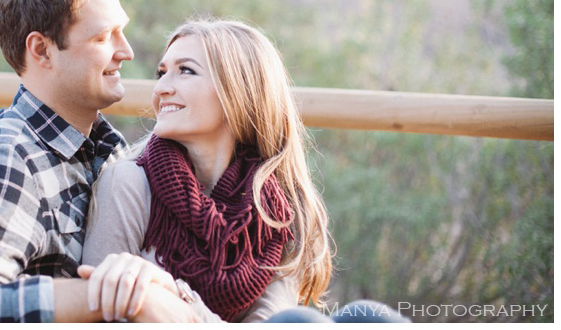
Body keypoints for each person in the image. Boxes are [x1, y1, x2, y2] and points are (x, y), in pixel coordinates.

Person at [79, 18, 409, 323]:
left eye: (186, 71)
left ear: (238, 92)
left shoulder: (277, 206)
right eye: (162, 72)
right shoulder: (129, 182)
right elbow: (96, 313)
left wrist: (172, 293)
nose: (162, 88)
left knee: (368, 316)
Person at [0, 0, 201, 323]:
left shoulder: (110, 151)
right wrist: (118, 295)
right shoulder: (7, 156)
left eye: (122, 32)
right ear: (42, 50)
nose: (126, 51)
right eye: (104, 37)